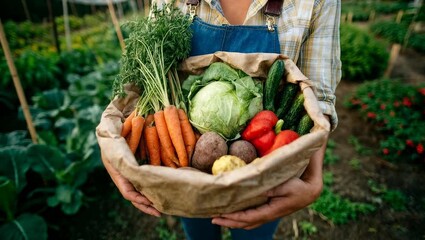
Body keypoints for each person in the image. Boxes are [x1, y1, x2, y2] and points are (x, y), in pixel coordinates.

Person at [101, 0, 341, 239]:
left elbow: (317, 99)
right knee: (199, 234)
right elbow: (144, 76)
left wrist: (312, 180)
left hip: (266, 172)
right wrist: (114, 144)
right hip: (186, 173)